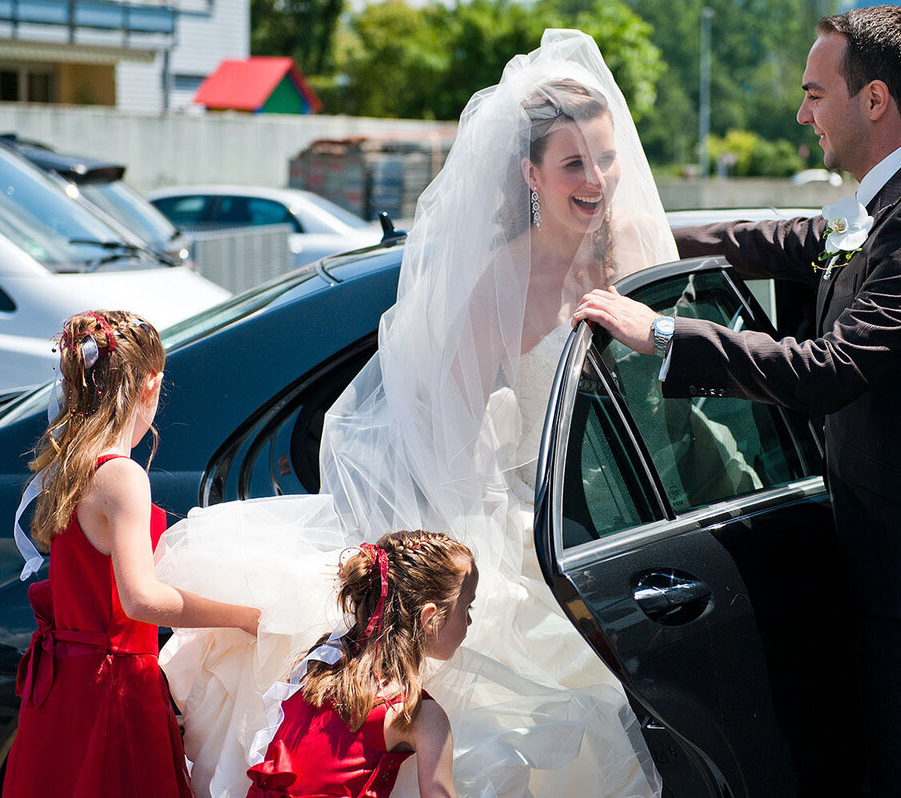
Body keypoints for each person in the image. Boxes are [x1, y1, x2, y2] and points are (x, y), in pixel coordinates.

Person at [152, 29, 677, 798]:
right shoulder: (503, 281)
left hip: (636, 508)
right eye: (573, 163)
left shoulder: (631, 244)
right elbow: (447, 431)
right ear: (531, 173)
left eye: (604, 157)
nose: (596, 178)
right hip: (546, 531)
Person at [574, 6, 901, 796]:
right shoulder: (891, 196)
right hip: (896, 551)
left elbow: (830, 368)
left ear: (874, 100)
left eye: (814, 93)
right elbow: (795, 242)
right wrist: (654, 236)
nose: (801, 113)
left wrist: (660, 331)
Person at [4, 310, 261, 798]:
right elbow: (140, 599)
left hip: (61, 692)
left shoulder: (66, 467)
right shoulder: (122, 476)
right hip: (112, 688)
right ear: (151, 385)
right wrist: (242, 616)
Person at [245, 531, 474, 798]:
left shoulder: (321, 666)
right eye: (467, 608)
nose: (469, 622)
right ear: (430, 618)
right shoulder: (420, 715)